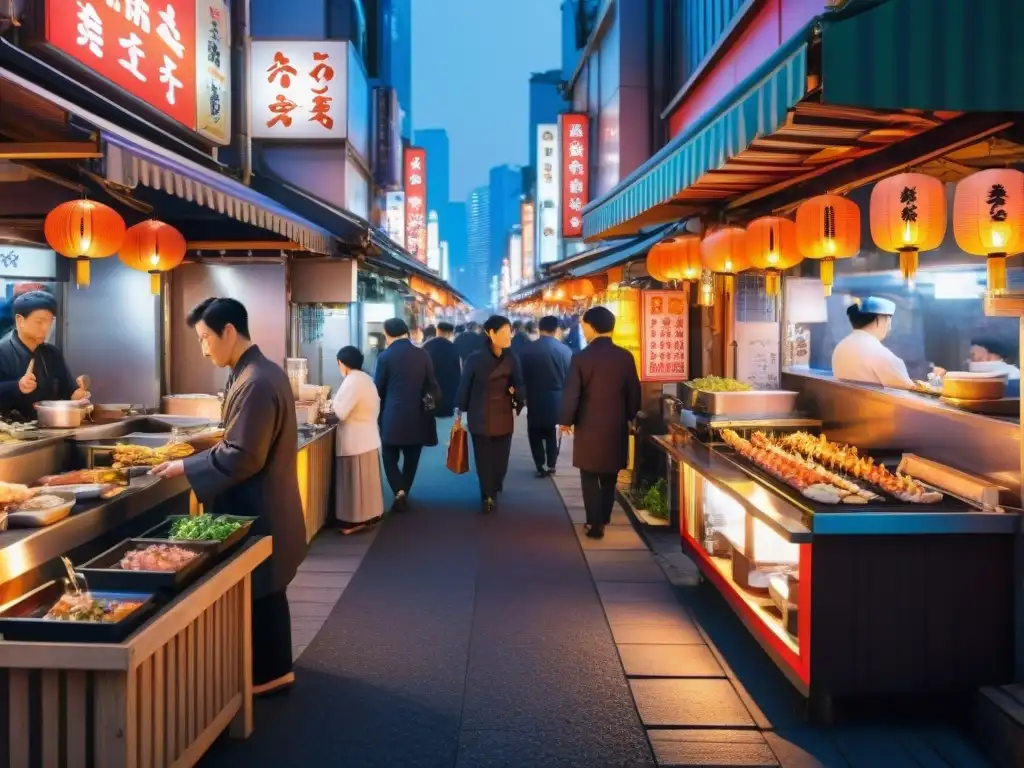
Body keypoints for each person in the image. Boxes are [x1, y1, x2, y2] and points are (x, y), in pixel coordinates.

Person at [150, 298, 306, 696]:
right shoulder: (257, 371)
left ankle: (270, 675)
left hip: (260, 503)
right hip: (268, 499)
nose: (203, 348)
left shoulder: (254, 380)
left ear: (230, 332)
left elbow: (243, 456)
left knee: (264, 591)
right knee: (267, 591)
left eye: (205, 338)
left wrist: (185, 466)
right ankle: (274, 670)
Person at [559, 306, 641, 539]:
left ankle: (595, 523)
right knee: (609, 474)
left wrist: (566, 420)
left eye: (584, 324)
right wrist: (629, 416)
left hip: (589, 424)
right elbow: (634, 392)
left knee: (589, 474)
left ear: (592, 327)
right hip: (615, 424)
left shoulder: (582, 358)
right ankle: (604, 516)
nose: (583, 329)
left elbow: (572, 393)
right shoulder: (625, 357)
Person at [455, 315, 525, 513]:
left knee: (500, 460)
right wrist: (459, 412)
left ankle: (493, 487)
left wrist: (517, 393)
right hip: (481, 415)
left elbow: (520, 384)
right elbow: (464, 387)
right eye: (503, 332)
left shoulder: (512, 358)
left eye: (509, 331)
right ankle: (488, 494)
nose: (508, 335)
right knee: (484, 459)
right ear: (490, 333)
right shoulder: (475, 359)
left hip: (500, 414)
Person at [374, 318, 439, 512]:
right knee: (412, 457)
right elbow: (431, 383)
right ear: (406, 332)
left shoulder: (385, 357)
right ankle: (405, 490)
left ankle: (398, 490)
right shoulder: (423, 354)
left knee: (389, 455)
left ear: (387, 334)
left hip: (392, 416)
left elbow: (378, 388)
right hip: (417, 414)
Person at [0, 290, 90, 420]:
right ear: (20, 320)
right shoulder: (2, 352)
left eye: (49, 322)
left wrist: (79, 395)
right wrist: (17, 386)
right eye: (39, 322)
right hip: (10, 435)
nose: (46, 328)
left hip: (52, 428)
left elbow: (69, 389)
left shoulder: (52, 353)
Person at [332, 346, 384, 534]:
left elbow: (340, 412)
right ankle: (369, 517)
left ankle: (353, 521)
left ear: (342, 363)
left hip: (355, 440)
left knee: (354, 484)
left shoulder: (352, 381)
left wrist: (330, 406)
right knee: (367, 484)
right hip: (368, 437)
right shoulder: (366, 379)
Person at [520, 315, 572, 478]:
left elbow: (520, 376)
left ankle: (539, 464)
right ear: (556, 329)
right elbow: (570, 377)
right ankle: (551, 464)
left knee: (534, 431)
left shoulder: (527, 349)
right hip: (557, 397)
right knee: (551, 431)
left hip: (534, 396)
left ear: (539, 328)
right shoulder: (565, 350)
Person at [831, 297, 914, 389]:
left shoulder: (840, 347)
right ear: (880, 320)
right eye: (889, 319)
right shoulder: (882, 356)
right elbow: (908, 392)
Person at [423, 322, 461, 418]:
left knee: (429, 415)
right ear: (449, 334)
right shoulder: (454, 348)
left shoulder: (426, 346)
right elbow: (459, 370)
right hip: (448, 391)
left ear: (437, 331)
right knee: (447, 416)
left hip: (430, 389)